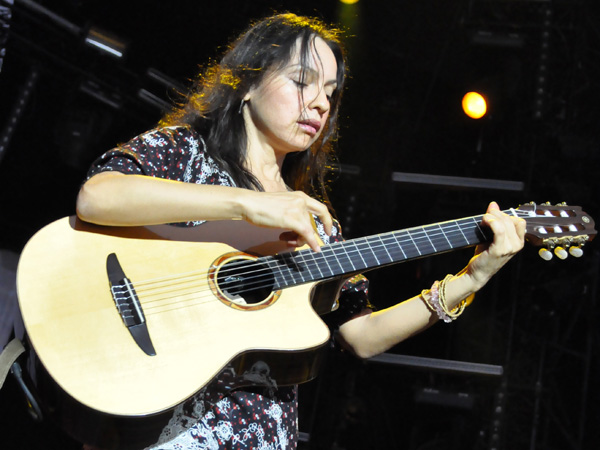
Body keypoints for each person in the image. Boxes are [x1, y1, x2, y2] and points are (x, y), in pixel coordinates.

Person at [76, 12, 525, 450]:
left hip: (259, 433)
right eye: (302, 81)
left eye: (330, 92)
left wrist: (472, 278)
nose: (320, 103)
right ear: (247, 84)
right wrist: (247, 202)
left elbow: (361, 336)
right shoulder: (186, 153)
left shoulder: (312, 224)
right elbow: (97, 197)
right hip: (155, 420)